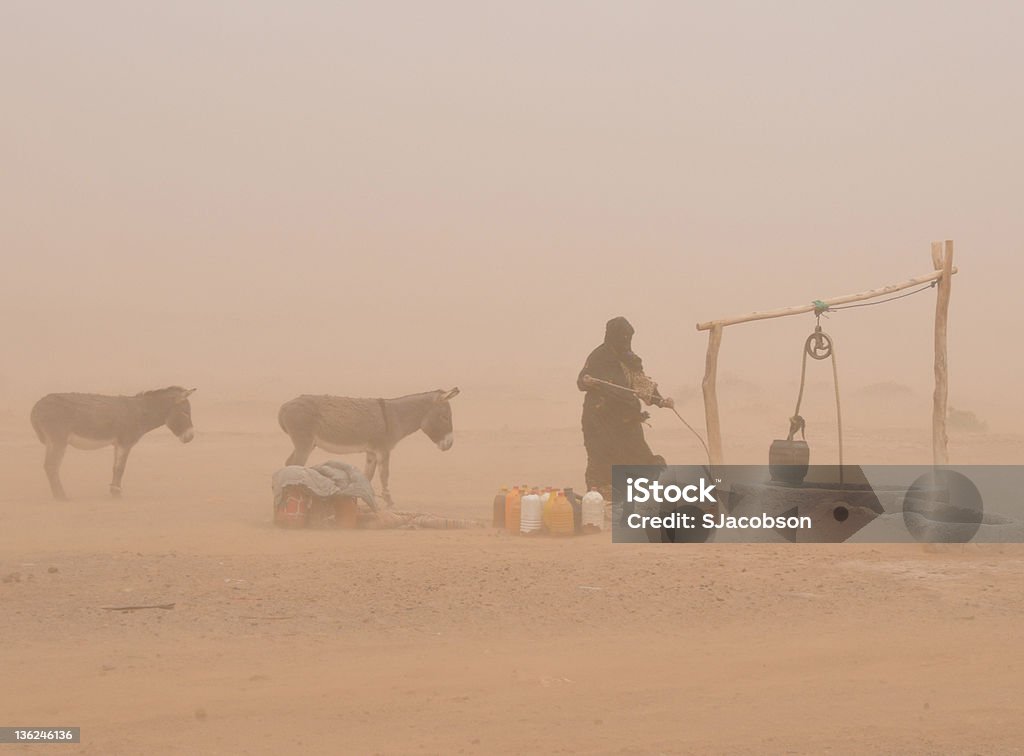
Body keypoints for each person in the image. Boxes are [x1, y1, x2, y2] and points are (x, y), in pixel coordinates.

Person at [577, 316, 674, 500]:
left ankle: (634, 500)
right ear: (612, 336)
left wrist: (660, 401)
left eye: (628, 337)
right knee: (601, 459)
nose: (626, 341)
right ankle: (598, 502)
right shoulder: (598, 357)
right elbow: (582, 381)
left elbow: (642, 384)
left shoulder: (630, 360)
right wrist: (587, 381)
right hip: (599, 419)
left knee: (639, 456)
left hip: (626, 419)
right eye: (623, 337)